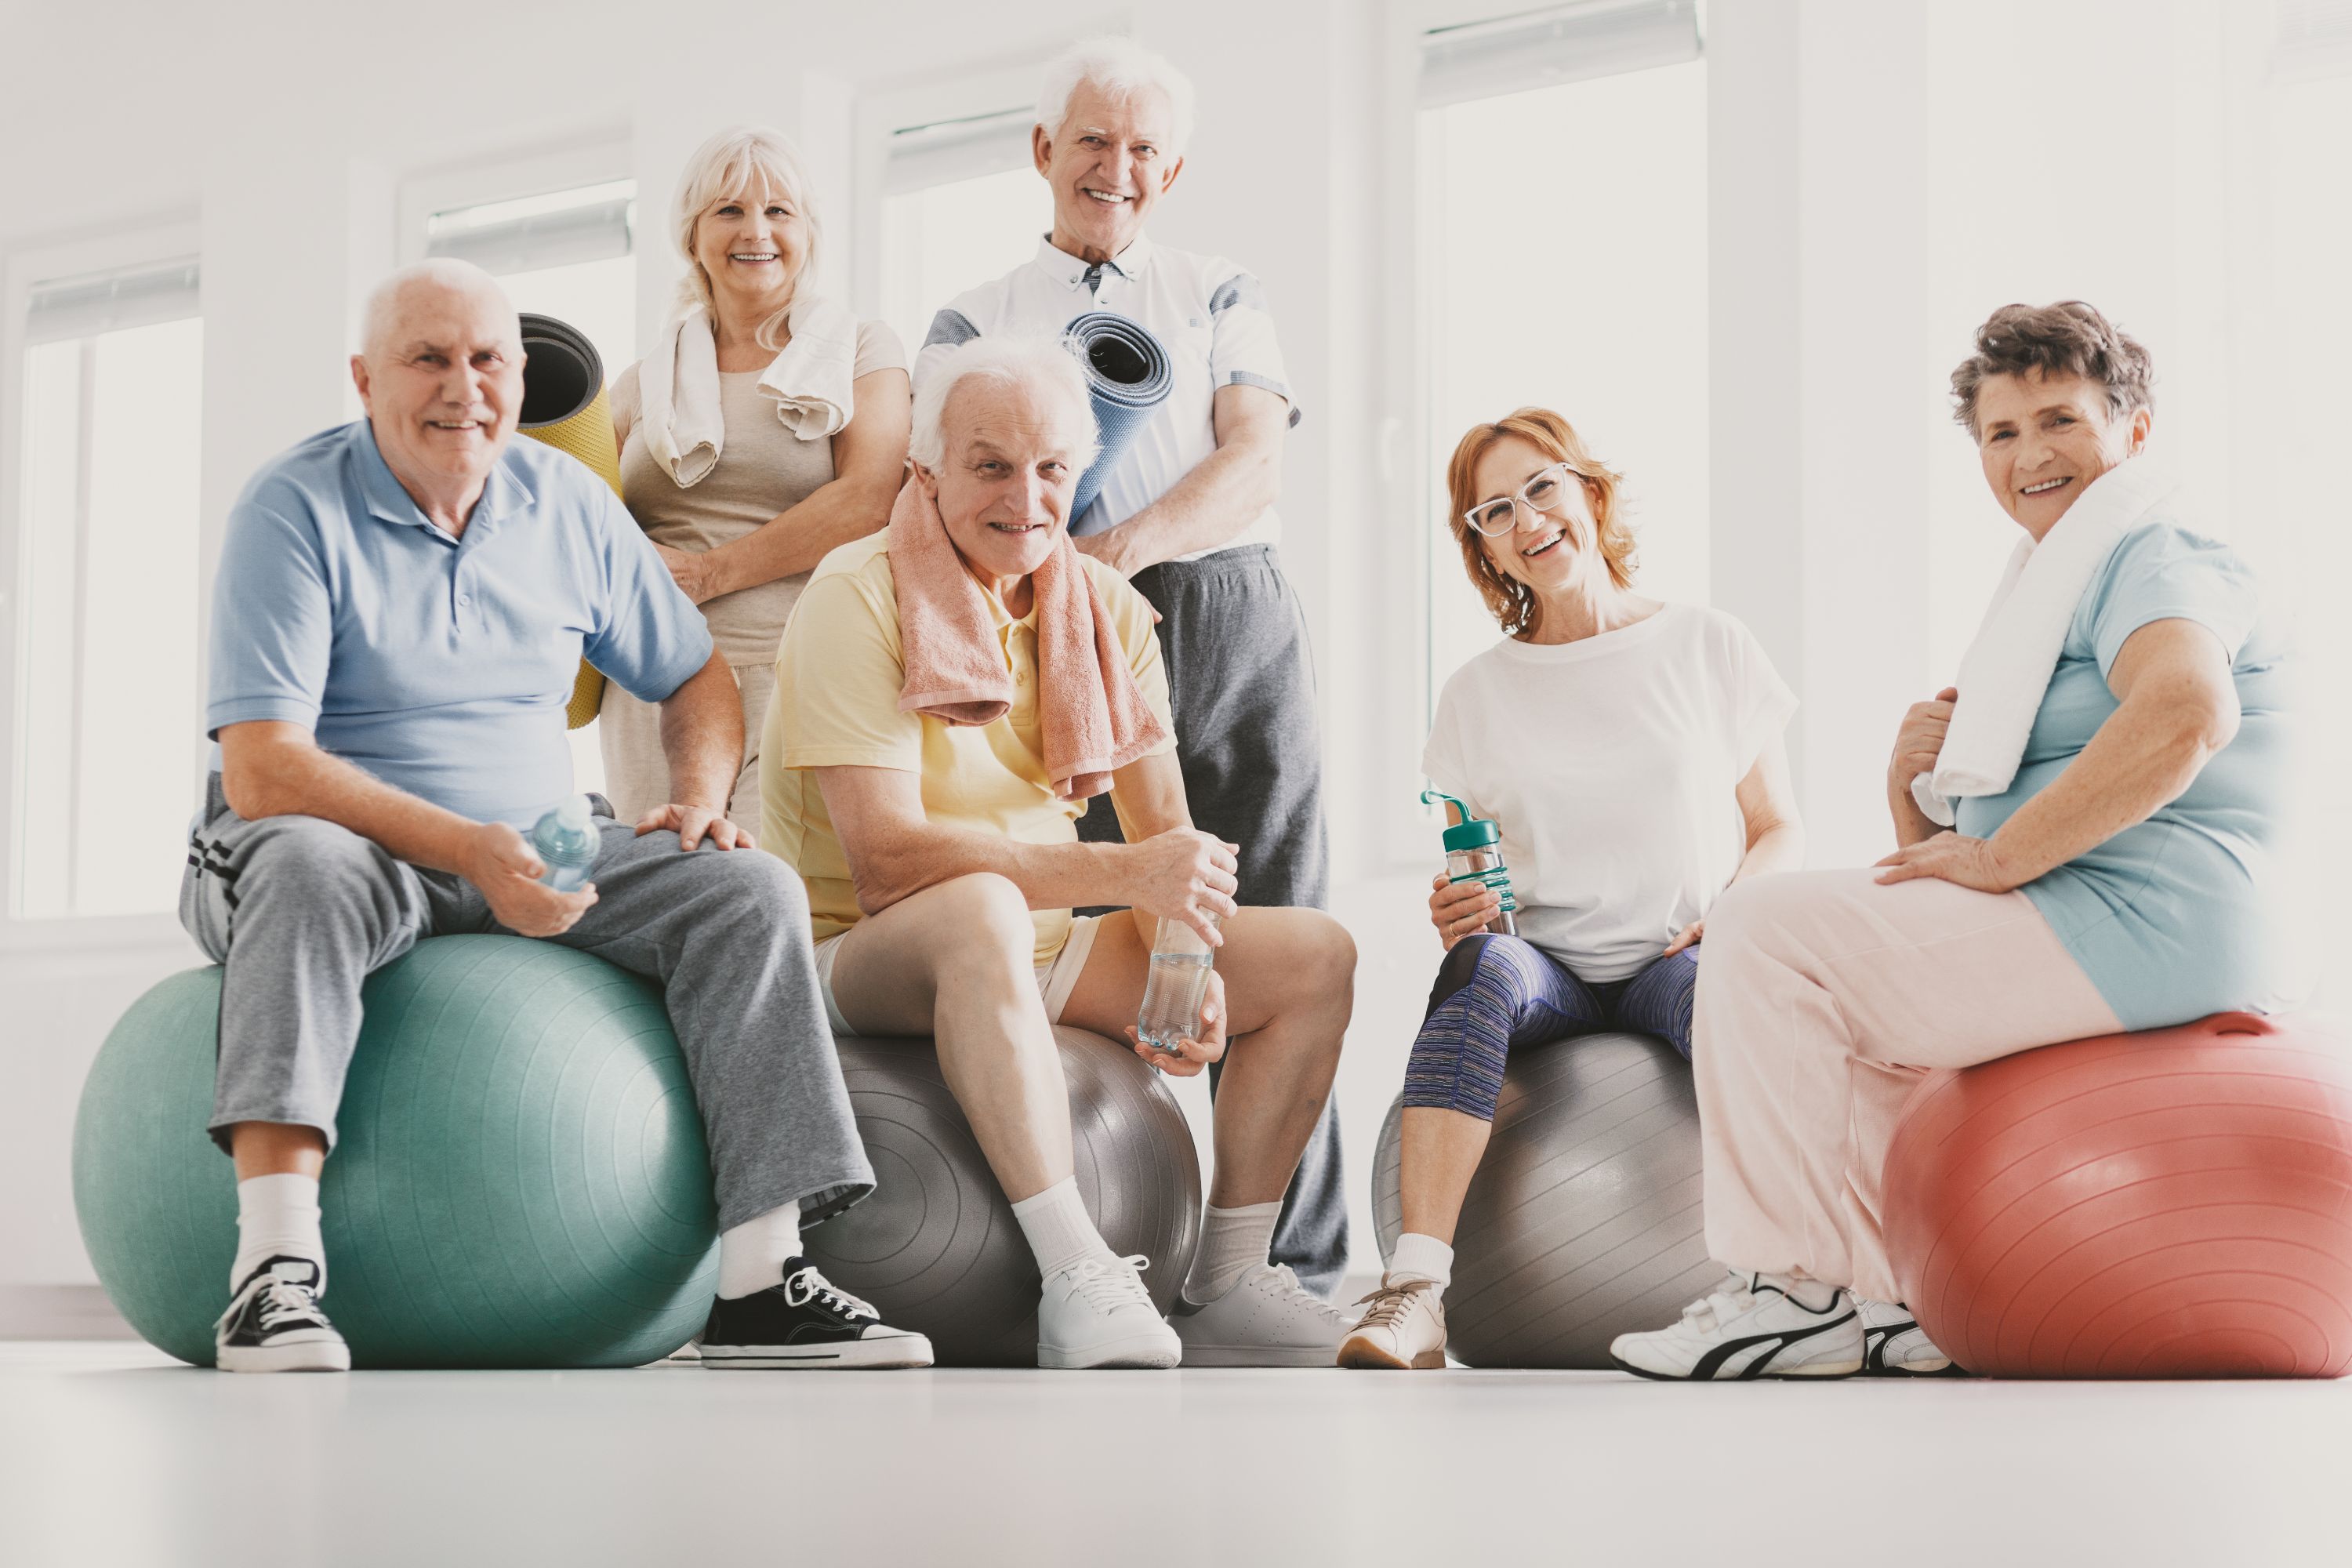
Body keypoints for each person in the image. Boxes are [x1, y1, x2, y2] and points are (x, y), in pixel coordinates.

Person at [187, 260, 930, 1374]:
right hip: (341, 843)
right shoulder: (291, 507)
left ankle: (759, 1280)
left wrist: (693, 798)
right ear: (363, 378)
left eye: (487, 359)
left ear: (521, 376)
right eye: (427, 359)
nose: (463, 387)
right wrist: (465, 850)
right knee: (303, 864)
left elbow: (698, 680)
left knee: (747, 888)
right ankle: (273, 1275)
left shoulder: (568, 503)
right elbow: (264, 770)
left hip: (540, 839)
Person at [1610, 300, 2297, 1381]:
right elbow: (1968, 842)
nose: (2031, 454)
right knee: (1854, 1006)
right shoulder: (2059, 575)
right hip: (2101, 908)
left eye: (2060, 420)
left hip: (2148, 918)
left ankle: (1789, 1289)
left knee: (1761, 928)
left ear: (2135, 431)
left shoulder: (2155, 551)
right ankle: (1890, 1298)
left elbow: (2184, 715)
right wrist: (1915, 806)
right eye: (2002, 433)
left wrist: (2000, 856)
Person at [760, 333, 1357, 1369]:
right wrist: (1126, 879)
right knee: (983, 906)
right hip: (856, 951)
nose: (1026, 498)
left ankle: (1226, 1273)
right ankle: (1077, 1272)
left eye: (1051, 470)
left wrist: (1182, 961)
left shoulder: (1108, 609)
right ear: (928, 472)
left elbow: (1167, 833)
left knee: (1315, 957)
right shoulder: (855, 594)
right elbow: (887, 863)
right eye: (991, 465)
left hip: (1032, 947)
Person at [913, 37, 1349, 1297]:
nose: (1118, 168)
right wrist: (1074, 596)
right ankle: (1114, 1254)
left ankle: (1287, 1267)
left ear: (1174, 168)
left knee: (1272, 919)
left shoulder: (1218, 286)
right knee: (1095, 923)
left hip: (1228, 608)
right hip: (1055, 632)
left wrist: (1113, 557)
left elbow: (1254, 457)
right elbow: (937, 492)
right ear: (1042, 152)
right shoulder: (974, 316)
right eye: (1093, 141)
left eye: (1145, 148)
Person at [1335, 408, 1803, 1370]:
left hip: (1674, 953)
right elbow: (1474, 865)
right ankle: (1415, 1291)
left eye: (1542, 487)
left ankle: (1801, 1282)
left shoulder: (1706, 644)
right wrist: (1458, 905)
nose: (1527, 520)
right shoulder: (1476, 692)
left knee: (1736, 1006)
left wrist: (1737, 912)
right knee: (1480, 967)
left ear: (1590, 490)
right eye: (1493, 511)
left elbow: (1777, 827)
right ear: (1486, 550)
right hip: (1543, 966)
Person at [600, 125, 911, 826]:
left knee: (765, 896)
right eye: (729, 210)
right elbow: (585, 516)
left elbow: (869, 498)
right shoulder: (638, 383)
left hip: (799, 668)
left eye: (779, 211)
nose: (756, 231)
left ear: (808, 232)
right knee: (657, 894)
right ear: (692, 234)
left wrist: (709, 574)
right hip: (655, 682)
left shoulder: (864, 349)